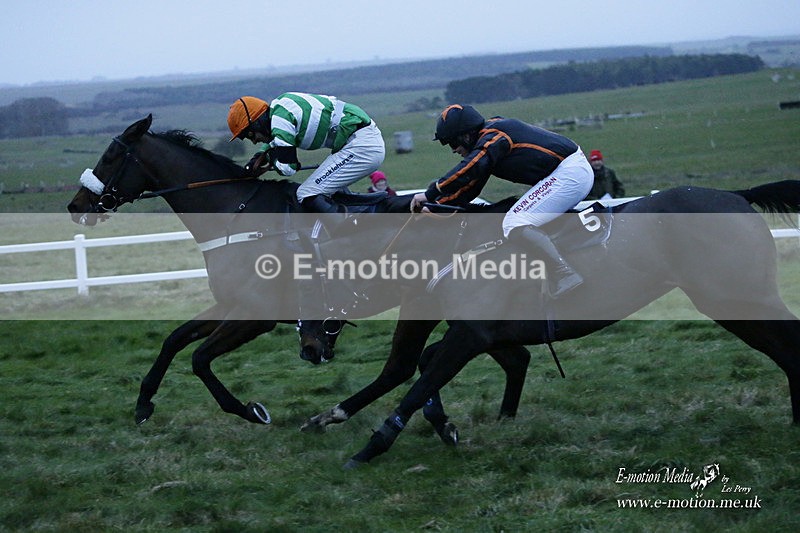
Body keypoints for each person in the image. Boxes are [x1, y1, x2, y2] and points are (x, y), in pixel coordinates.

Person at [411, 104, 593, 297]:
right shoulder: (488, 138)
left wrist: (431, 193)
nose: (453, 150)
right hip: (565, 172)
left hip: (570, 174)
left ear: (466, 135)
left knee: (514, 221)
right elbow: (471, 184)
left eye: (452, 143)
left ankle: (564, 273)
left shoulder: (494, 138)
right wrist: (438, 206)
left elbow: (468, 169)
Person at [227, 93, 385, 213]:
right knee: (324, 190)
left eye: (250, 135)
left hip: (362, 146)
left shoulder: (280, 121)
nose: (254, 141)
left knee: (307, 193)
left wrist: (270, 161)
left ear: (258, 122)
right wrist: (260, 155)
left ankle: (348, 233)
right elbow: (278, 141)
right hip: (360, 140)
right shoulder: (280, 106)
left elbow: (288, 168)